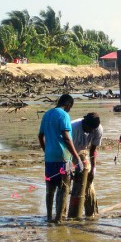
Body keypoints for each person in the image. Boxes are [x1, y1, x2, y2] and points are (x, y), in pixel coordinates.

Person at [38, 94, 83, 223]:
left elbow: (40, 135)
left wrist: (45, 149)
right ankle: (58, 219)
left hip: (49, 158)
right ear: (68, 105)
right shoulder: (64, 115)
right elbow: (67, 138)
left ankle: (48, 217)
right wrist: (76, 157)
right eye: (70, 107)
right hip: (63, 158)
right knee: (64, 188)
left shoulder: (47, 114)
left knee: (50, 189)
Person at [68, 112, 103, 219]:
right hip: (68, 151)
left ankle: (91, 214)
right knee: (68, 182)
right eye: (89, 129)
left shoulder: (98, 129)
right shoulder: (72, 128)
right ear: (85, 123)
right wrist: (70, 169)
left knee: (88, 180)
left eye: (93, 129)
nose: (91, 131)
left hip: (82, 151)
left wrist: (93, 169)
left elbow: (93, 150)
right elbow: (65, 150)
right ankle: (70, 215)